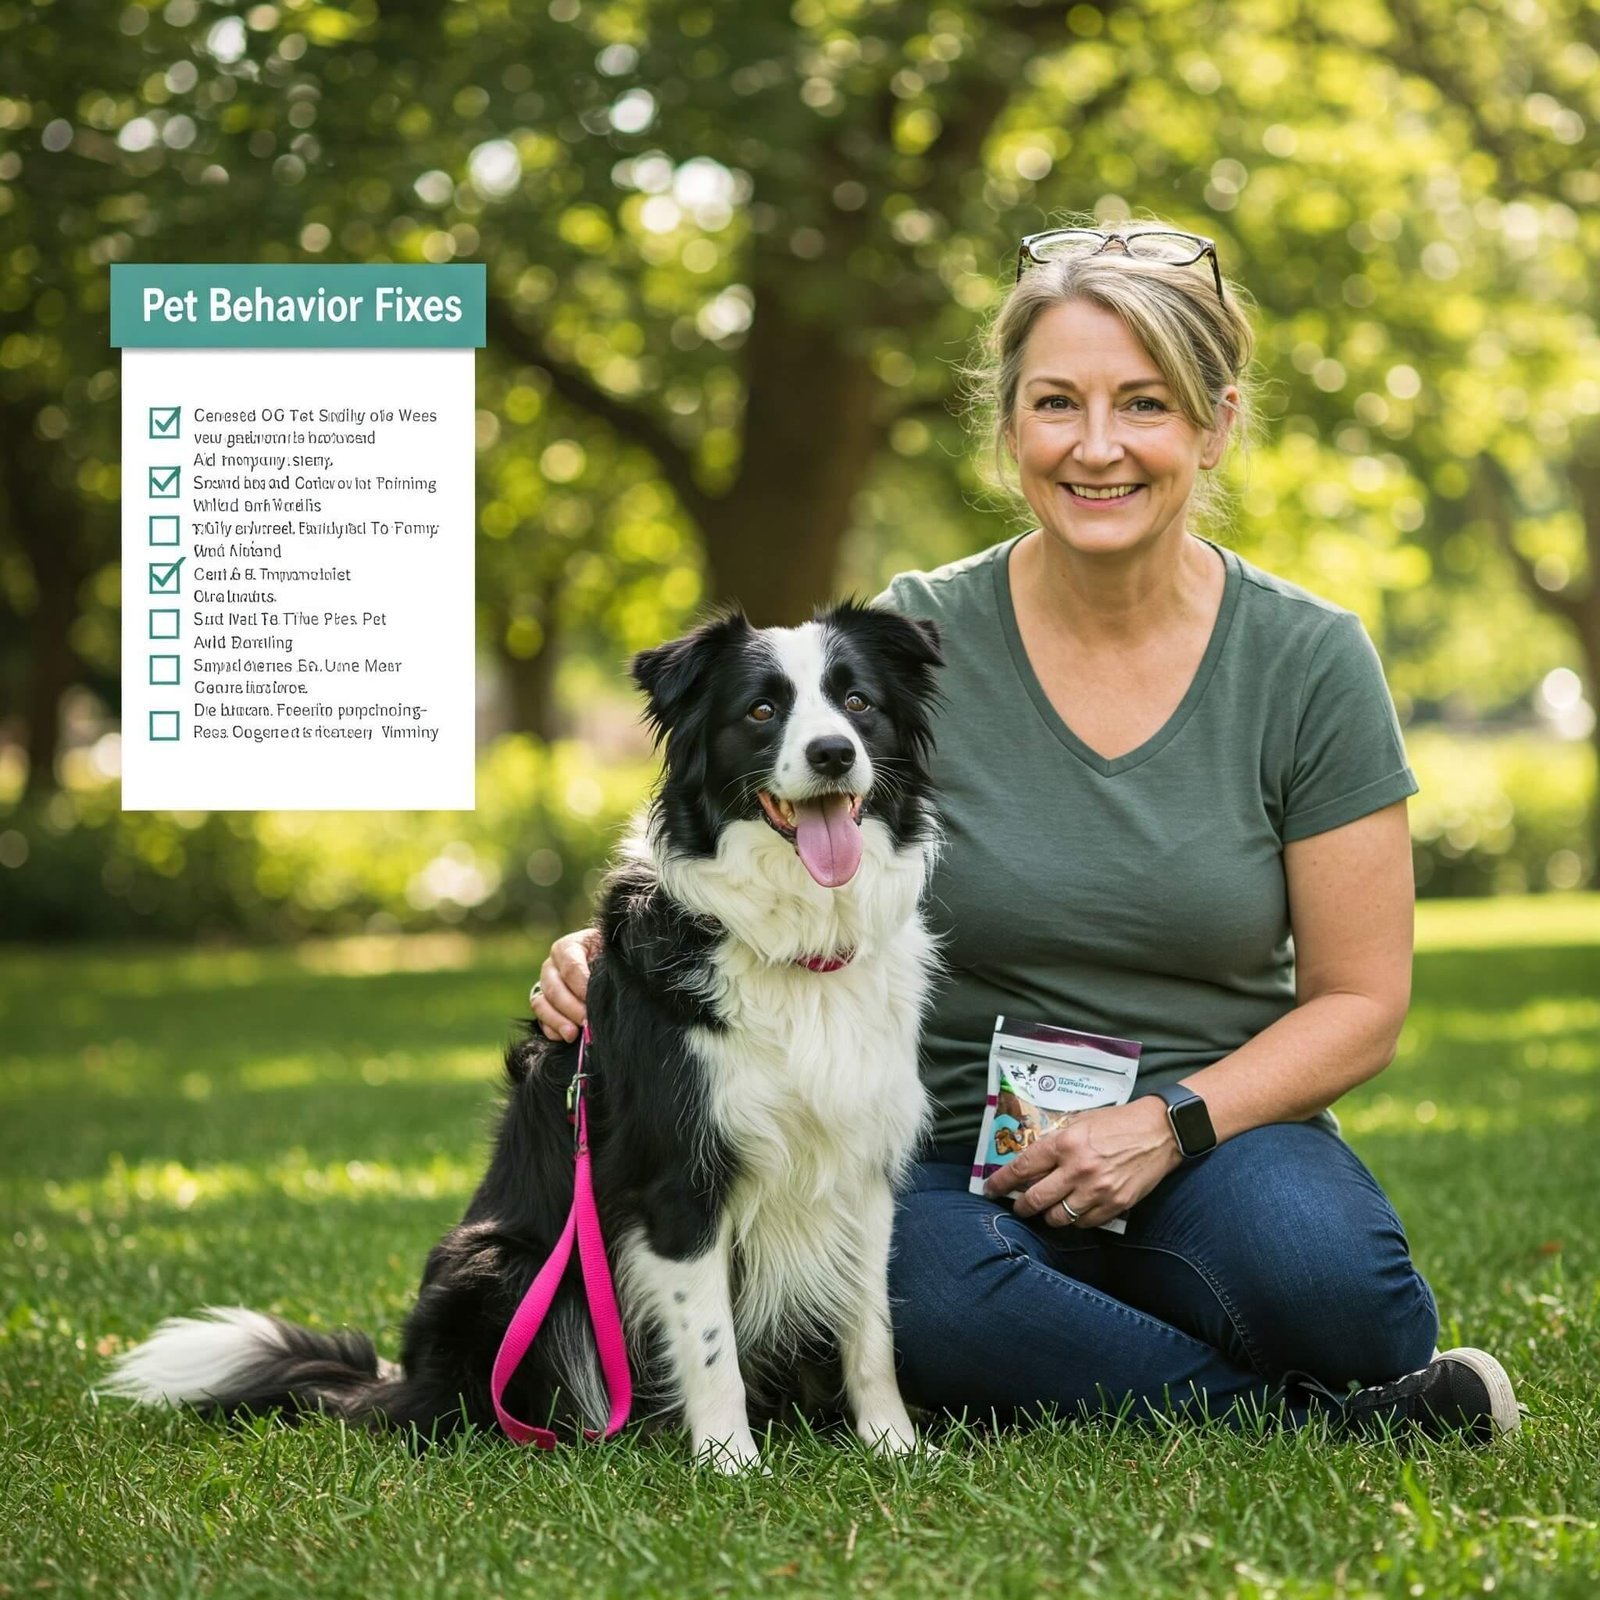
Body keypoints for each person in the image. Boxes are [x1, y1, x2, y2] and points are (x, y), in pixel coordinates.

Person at [530, 223, 1521, 1440]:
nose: (1096, 446)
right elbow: (756, 821)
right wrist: (610, 948)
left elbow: (1360, 1000)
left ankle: (1096, 1331)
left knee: (1343, 1306)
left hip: (1217, 1130)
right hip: (949, 1157)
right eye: (1056, 403)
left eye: (1142, 404)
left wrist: (1165, 1126)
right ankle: (1295, 1420)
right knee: (913, 1297)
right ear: (1008, 432)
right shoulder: (906, 643)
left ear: (1212, 426)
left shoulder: (1309, 658)